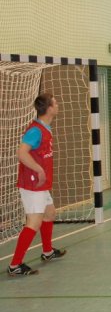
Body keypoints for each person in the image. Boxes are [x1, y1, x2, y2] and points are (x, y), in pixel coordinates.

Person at [7, 93, 66, 277]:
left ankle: (47, 252)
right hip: (32, 184)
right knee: (33, 222)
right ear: (48, 108)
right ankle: (15, 265)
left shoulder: (45, 128)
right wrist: (39, 169)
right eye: (55, 103)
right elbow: (22, 153)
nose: (58, 105)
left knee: (50, 213)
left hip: (41, 184)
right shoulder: (35, 131)